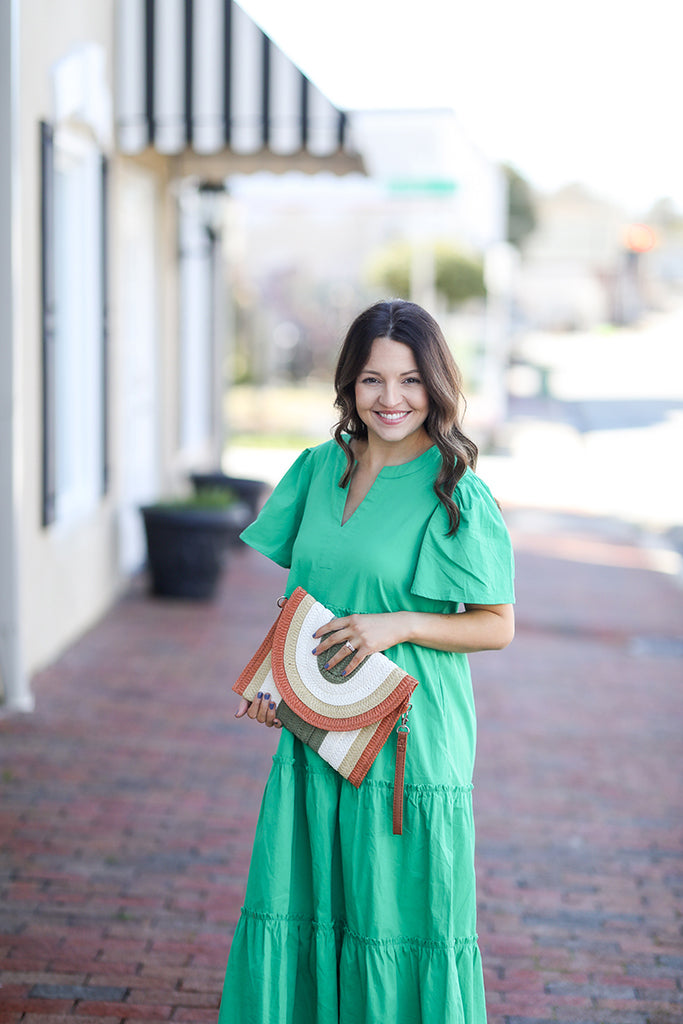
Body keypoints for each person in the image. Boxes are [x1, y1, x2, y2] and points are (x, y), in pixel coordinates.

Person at [218, 299, 515, 1023]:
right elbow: (303, 603)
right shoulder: (318, 470)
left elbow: (496, 626)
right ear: (348, 386)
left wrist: (400, 623)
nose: (391, 400)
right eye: (372, 381)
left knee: (396, 923)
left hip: (409, 747)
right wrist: (276, 688)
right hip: (318, 735)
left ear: (435, 385)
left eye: (411, 381)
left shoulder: (456, 491)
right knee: (307, 909)